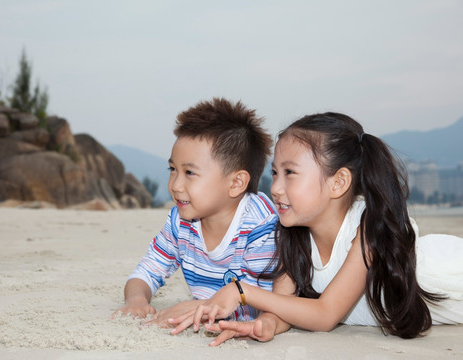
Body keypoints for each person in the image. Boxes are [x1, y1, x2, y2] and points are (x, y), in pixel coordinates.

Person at [169, 112, 463, 345]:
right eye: (274, 173)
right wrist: (266, 324)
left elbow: (325, 315)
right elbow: (285, 305)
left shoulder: (368, 228)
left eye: (290, 173)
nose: (276, 187)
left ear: (338, 183)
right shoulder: (292, 235)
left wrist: (241, 292)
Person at [113, 97, 282, 326]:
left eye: (190, 173)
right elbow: (148, 270)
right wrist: (136, 300)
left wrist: (198, 308)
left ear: (236, 183)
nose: (175, 185)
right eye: (172, 169)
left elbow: (262, 305)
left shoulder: (260, 227)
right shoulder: (180, 222)